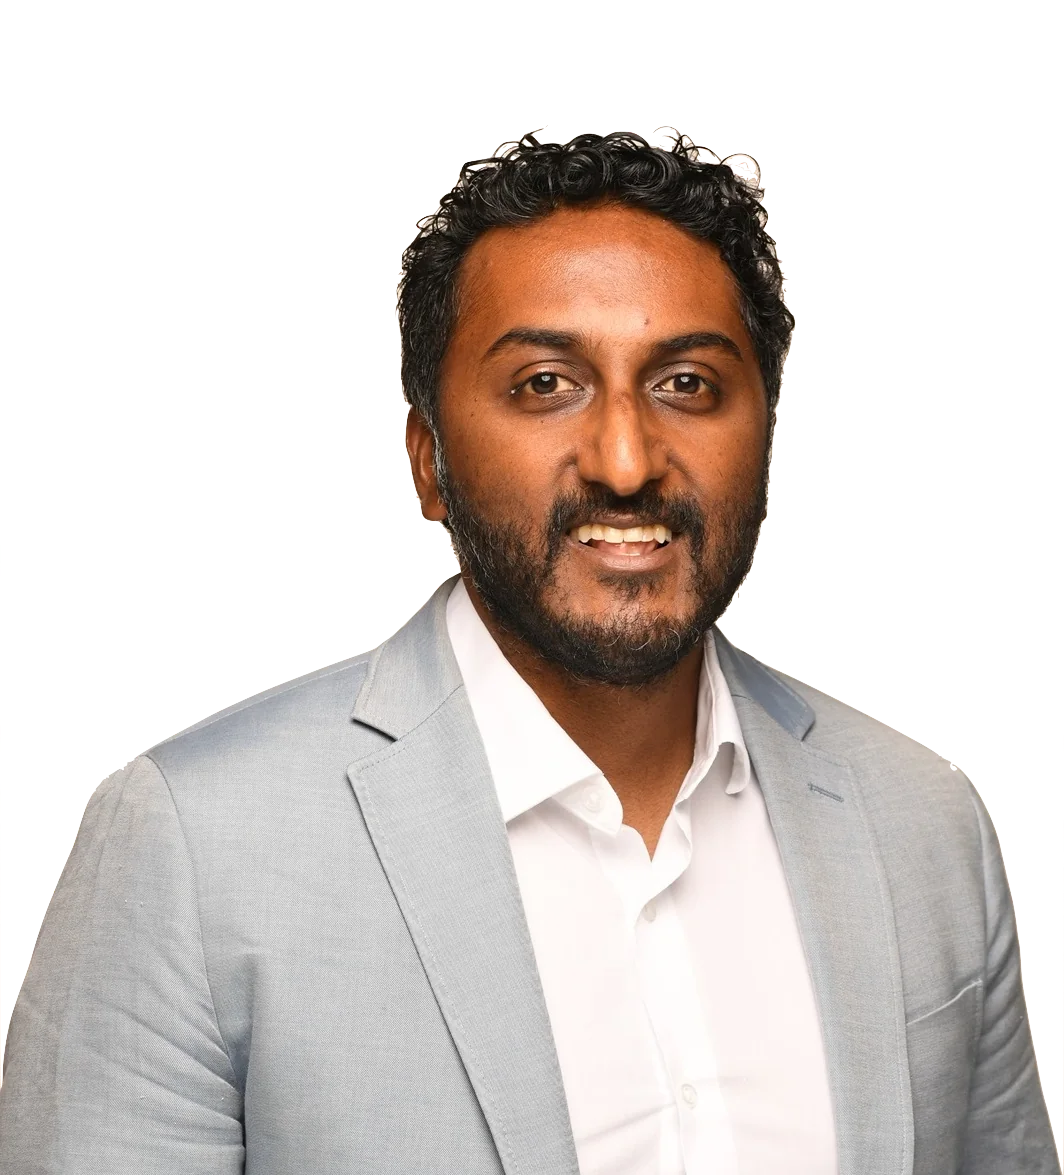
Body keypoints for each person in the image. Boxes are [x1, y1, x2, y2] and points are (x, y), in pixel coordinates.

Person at [0, 131, 1056, 1174]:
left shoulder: (924, 821)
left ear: (767, 431)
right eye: (546, 383)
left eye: (687, 382)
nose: (626, 461)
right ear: (427, 459)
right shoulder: (195, 843)